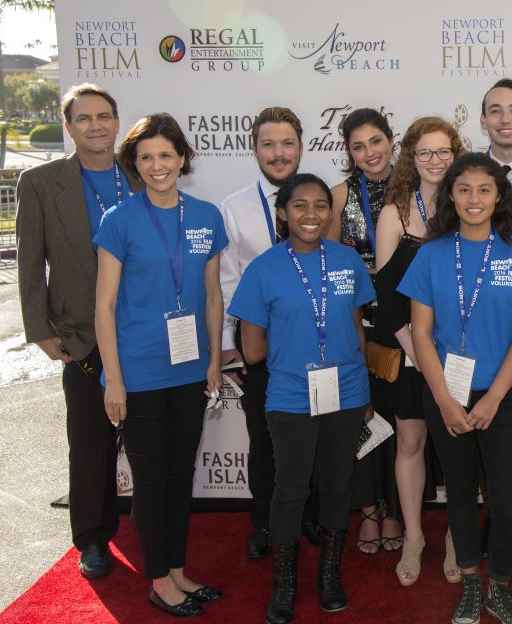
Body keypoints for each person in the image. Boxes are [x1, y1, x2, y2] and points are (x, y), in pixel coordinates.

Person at [398, 152, 512, 624]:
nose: (474, 199)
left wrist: (493, 397)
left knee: (508, 505)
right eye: (463, 189)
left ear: (499, 196)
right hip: (446, 396)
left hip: (502, 398)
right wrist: (444, 400)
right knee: (460, 496)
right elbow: (420, 333)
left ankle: (499, 587)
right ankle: (470, 583)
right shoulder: (430, 254)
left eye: (485, 189)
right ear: (450, 195)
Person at [94, 113, 226, 617]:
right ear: (135, 163)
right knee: (150, 481)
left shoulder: (206, 216)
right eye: (146, 157)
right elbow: (104, 306)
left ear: (182, 158)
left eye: (165, 155)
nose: (157, 165)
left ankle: (176, 570)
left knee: (179, 475)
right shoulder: (120, 221)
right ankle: (158, 581)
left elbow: (212, 296)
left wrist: (214, 359)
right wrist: (115, 381)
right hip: (140, 372)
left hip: (191, 370)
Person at [229, 173, 375, 624]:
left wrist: (364, 387)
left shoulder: (348, 261)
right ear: (282, 213)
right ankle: (285, 582)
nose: (311, 214)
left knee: (336, 485)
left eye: (320, 206)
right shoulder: (263, 269)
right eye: (300, 206)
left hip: (347, 392)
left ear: (330, 213)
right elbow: (252, 350)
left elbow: (355, 328)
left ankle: (329, 575)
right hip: (291, 396)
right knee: (291, 489)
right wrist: (298, 341)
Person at [15, 83, 140, 580]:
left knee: (150, 439)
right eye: (84, 117)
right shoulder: (41, 182)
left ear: (115, 122)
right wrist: (39, 329)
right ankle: (92, 538)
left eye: (104, 116)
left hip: (141, 332)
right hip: (82, 337)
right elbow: (29, 262)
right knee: (89, 443)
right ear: (68, 127)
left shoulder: (140, 173)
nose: (95, 125)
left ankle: (152, 529)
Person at [373, 116, 468, 585]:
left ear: (457, 155)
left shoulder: (469, 206)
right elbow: (387, 299)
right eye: (425, 153)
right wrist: (419, 353)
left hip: (464, 356)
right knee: (410, 442)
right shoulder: (394, 214)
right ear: (411, 158)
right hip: (412, 352)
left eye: (444, 152)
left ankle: (457, 534)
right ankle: (413, 535)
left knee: (458, 448)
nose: (435, 161)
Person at [218, 106, 303, 559]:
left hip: (311, 345)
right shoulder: (234, 208)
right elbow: (227, 281)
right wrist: (231, 350)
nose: (278, 153)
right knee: (264, 438)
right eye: (268, 144)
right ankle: (265, 523)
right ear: (254, 150)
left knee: (311, 435)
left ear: (301, 147)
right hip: (259, 346)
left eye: (287, 143)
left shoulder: (314, 200)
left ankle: (306, 517)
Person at [324, 108, 403, 554]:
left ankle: (395, 510)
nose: (369, 152)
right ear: (349, 152)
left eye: (376, 141)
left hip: (406, 321)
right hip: (358, 323)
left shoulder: (414, 189)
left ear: (390, 140)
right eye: (358, 146)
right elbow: (331, 264)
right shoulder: (337, 195)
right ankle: (369, 511)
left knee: (402, 419)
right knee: (362, 415)